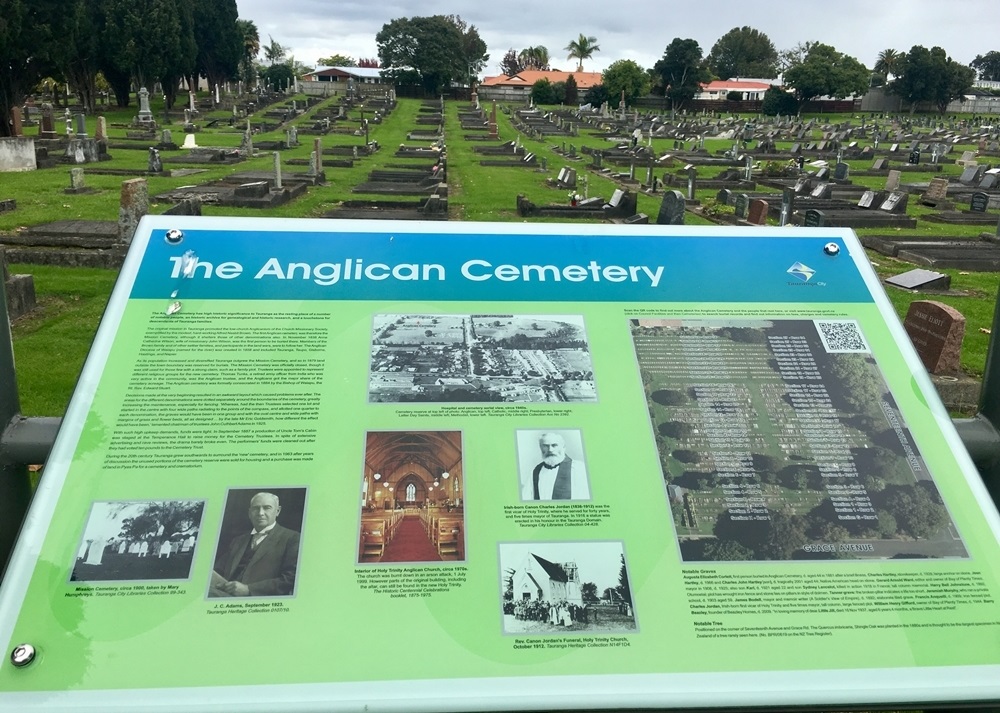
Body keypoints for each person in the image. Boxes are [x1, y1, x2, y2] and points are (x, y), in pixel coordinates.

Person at [210, 492, 300, 598]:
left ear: (278, 511)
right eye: (256, 508)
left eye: (267, 508)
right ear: (249, 513)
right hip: (223, 595)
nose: (260, 513)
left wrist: (249, 590)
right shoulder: (238, 541)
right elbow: (218, 570)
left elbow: (292, 578)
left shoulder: (292, 538)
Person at [521, 432, 590, 501]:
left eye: (554, 445)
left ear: (563, 447)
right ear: (540, 447)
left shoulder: (578, 468)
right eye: (545, 446)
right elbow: (526, 498)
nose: (550, 450)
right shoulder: (536, 471)